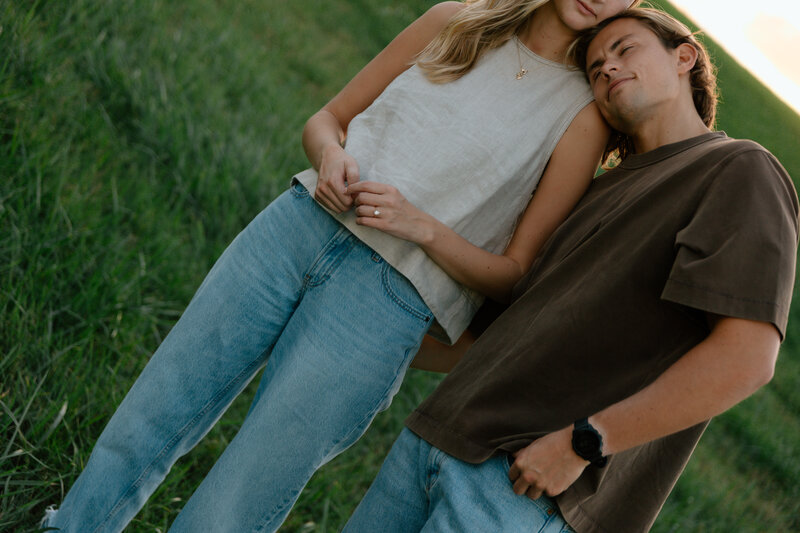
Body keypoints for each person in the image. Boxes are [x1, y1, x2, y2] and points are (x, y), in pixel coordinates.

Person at [40, 1, 639, 531]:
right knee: (161, 402)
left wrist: (421, 226)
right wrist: (330, 156)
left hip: (388, 299)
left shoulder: (582, 115)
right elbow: (328, 120)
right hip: (296, 227)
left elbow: (514, 273)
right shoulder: (454, 22)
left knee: (246, 488)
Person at [343, 7, 799, 533]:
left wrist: (584, 442)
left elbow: (746, 358)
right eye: (594, 66)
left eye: (625, 50)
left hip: (529, 490)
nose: (606, 67)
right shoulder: (596, 188)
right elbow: (496, 335)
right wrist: (351, 345)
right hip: (441, 438)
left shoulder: (738, 170)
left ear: (685, 57)